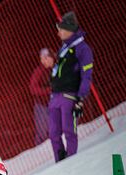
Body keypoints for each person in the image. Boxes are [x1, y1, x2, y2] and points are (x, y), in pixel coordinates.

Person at [49, 11, 93, 162]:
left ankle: (71, 162)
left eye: (61, 29)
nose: (58, 32)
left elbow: (86, 76)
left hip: (70, 96)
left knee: (69, 131)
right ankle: (60, 162)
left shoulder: (83, 49)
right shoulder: (63, 48)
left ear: (69, 30)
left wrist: (80, 99)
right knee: (54, 134)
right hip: (55, 97)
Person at [29, 48, 54, 145]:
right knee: (42, 133)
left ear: (51, 57)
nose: (43, 61)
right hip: (42, 105)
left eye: (45, 58)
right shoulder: (39, 71)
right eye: (41, 59)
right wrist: (48, 91)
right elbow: (33, 89)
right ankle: (40, 152)